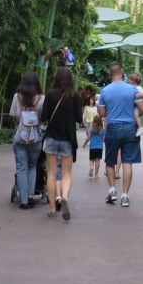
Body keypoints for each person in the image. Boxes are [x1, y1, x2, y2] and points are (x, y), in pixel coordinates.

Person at [97, 61, 143, 207]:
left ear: (109, 73)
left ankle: (112, 191)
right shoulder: (132, 89)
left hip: (112, 127)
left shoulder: (105, 91)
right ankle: (125, 196)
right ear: (122, 71)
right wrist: (132, 113)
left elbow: (101, 113)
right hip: (130, 127)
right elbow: (142, 109)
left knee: (110, 161)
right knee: (127, 162)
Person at [39, 67, 83, 220]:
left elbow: (43, 116)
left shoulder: (50, 95)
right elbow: (79, 118)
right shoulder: (74, 96)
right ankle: (64, 197)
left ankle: (52, 208)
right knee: (66, 173)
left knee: (51, 173)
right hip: (68, 138)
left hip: (51, 137)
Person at [9, 71, 44, 209]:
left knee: (21, 167)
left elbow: (13, 115)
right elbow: (43, 117)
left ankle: (23, 201)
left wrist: (18, 126)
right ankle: (30, 196)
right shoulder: (42, 98)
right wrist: (38, 124)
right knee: (32, 166)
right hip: (35, 137)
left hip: (20, 137)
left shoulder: (17, 97)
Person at [128, 72, 143, 137]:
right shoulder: (133, 88)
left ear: (133, 81)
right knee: (135, 115)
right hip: (136, 104)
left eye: (130, 79)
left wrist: (140, 95)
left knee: (135, 115)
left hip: (138, 105)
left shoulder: (138, 88)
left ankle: (140, 127)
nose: (129, 81)